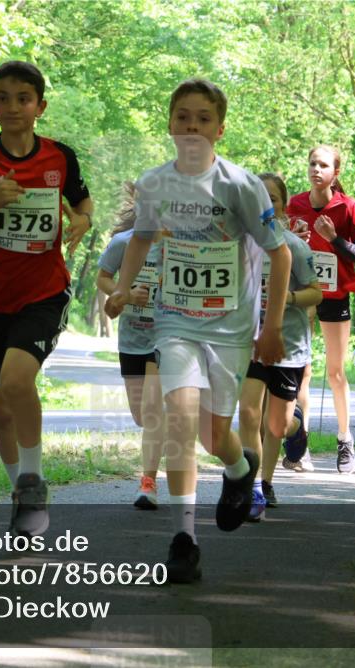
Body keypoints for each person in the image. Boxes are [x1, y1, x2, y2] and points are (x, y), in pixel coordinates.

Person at [104, 78, 290, 583]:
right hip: (176, 319)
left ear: (219, 129)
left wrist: (271, 329)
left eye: (203, 118)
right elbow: (141, 241)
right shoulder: (155, 184)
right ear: (169, 124)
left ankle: (238, 468)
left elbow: (280, 252)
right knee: (180, 417)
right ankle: (184, 538)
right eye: (183, 116)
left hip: (230, 326)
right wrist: (122, 290)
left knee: (214, 435)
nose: (191, 126)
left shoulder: (240, 186)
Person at [0, 61, 93, 536]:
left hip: (44, 291)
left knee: (16, 378)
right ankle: (19, 492)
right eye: (2, 98)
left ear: (39, 107)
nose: (12, 107)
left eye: (23, 98)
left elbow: (83, 203)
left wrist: (83, 221)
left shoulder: (60, 158)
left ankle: (33, 479)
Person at [237, 173, 322, 520]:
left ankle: (292, 428)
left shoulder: (294, 246)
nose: (265, 203)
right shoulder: (239, 244)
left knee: (276, 425)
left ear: (282, 206)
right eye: (258, 197)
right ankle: (254, 484)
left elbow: (316, 292)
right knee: (247, 413)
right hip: (249, 341)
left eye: (272, 198)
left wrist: (287, 297)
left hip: (289, 345)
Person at [287, 146, 355, 474]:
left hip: (335, 294)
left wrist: (334, 239)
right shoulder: (294, 204)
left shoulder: (347, 207)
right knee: (302, 370)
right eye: (312, 163)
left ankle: (345, 439)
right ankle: (299, 444)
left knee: (335, 372)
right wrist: (291, 236)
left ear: (335, 172)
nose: (316, 169)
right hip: (302, 292)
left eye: (324, 165)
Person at [97, 182, 164, 509]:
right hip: (133, 337)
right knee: (141, 415)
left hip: (166, 336)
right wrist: (123, 293)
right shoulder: (123, 243)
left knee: (154, 413)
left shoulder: (177, 244)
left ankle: (148, 483)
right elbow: (103, 278)